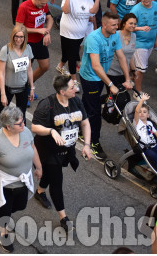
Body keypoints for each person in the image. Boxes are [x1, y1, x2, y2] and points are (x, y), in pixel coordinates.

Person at [31, 75, 92, 232]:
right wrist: (51, 131)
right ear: (62, 91)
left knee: (51, 174)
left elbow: (85, 123)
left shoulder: (76, 102)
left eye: (75, 85)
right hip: (47, 150)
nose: (76, 89)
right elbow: (34, 127)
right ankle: (63, 218)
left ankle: (39, 191)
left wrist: (86, 145)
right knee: (57, 180)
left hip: (66, 149)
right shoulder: (47, 105)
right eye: (72, 87)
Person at [0, 106, 42, 253]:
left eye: (23, 121)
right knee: (5, 212)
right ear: (8, 127)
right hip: (5, 185)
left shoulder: (26, 132)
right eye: (20, 123)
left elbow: (33, 148)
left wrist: (39, 167)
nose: (23, 125)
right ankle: (3, 232)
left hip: (22, 182)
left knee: (21, 206)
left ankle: (4, 213)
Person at [79, 11, 134, 160]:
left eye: (118, 24)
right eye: (114, 25)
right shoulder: (93, 38)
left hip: (103, 74)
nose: (117, 27)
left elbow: (121, 56)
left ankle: (79, 125)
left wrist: (128, 78)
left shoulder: (115, 34)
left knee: (90, 101)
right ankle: (94, 143)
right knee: (95, 111)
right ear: (104, 25)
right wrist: (110, 84)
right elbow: (96, 66)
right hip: (90, 76)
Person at [0, 24, 34, 137]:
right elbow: (1, 73)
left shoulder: (28, 49)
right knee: (2, 109)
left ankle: (20, 135)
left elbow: (29, 69)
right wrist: (3, 94)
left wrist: (32, 87)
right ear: (12, 36)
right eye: (16, 36)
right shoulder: (5, 50)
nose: (18, 39)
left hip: (23, 86)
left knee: (22, 112)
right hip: (8, 87)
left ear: (25, 37)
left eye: (21, 37)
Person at [58, 0, 101, 84]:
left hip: (80, 34)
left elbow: (93, 11)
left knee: (69, 54)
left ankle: (60, 66)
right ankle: (74, 80)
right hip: (67, 32)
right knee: (72, 56)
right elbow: (65, 10)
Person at [16, 0, 54, 89]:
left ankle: (29, 84)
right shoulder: (24, 7)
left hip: (40, 40)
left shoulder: (43, 4)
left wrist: (47, 32)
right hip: (27, 42)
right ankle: (22, 92)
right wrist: (38, 30)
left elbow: (50, 18)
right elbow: (18, 28)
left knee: (45, 66)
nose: (44, 6)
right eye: (42, 3)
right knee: (25, 70)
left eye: (45, 3)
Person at [129, 0, 157, 95]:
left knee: (137, 66)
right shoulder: (136, 10)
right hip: (139, 43)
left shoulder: (156, 6)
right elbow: (128, 27)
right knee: (141, 70)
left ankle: (128, 79)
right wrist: (141, 28)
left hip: (151, 43)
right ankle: (137, 92)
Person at [106, 13, 137, 87]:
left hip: (124, 73)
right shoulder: (115, 35)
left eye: (135, 24)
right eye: (131, 23)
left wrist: (133, 70)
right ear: (124, 24)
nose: (133, 26)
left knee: (120, 96)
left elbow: (130, 55)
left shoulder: (134, 36)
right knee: (114, 96)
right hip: (111, 72)